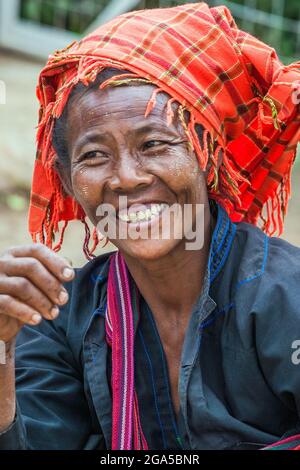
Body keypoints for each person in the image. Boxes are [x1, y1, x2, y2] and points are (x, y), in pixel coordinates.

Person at [0, 2, 300, 450]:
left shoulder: (285, 295)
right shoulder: (59, 318)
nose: (126, 177)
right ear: (67, 181)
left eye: (155, 144)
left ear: (207, 155)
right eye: (94, 155)